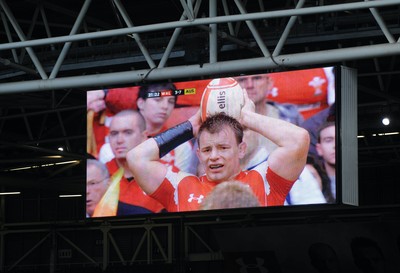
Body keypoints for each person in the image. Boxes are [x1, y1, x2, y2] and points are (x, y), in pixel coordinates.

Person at [126, 88, 310, 212]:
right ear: (198, 154)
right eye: (206, 150)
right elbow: (136, 158)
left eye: (223, 148)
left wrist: (247, 117)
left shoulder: (264, 180)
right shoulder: (181, 187)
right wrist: (190, 125)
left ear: (241, 149)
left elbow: (298, 140)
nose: (214, 156)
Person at [235, 74, 326, 205]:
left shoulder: (289, 115)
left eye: (257, 78)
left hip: (285, 186)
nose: (249, 85)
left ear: (270, 83)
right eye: (242, 80)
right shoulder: (223, 121)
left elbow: (305, 153)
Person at [104, 109, 165, 215]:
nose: (119, 140)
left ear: (143, 137)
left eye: (128, 132)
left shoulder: (165, 174)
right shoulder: (100, 177)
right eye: (114, 134)